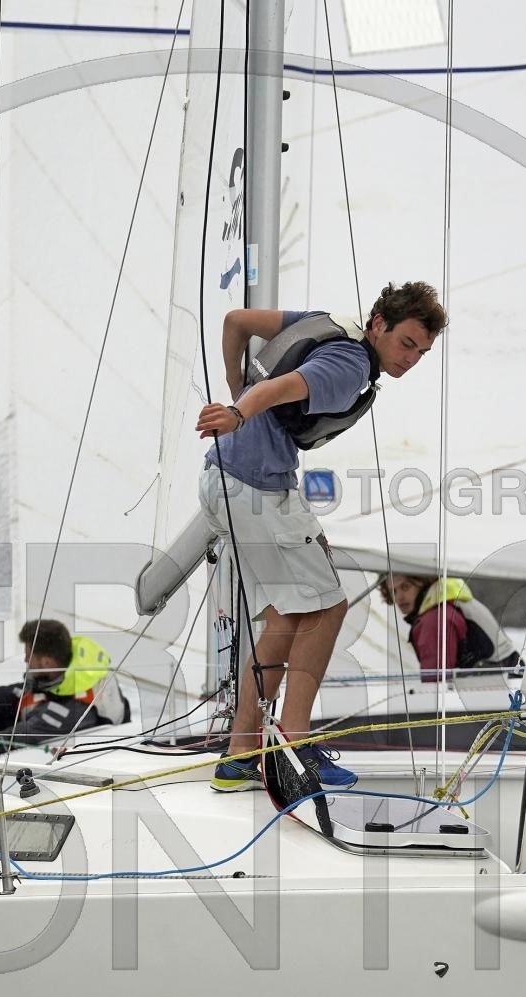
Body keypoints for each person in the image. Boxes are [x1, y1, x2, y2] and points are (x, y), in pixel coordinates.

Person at [198, 280, 448, 793]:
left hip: (224, 480)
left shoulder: (324, 323)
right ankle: (293, 749)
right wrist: (241, 411)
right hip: (258, 487)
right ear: (378, 324)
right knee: (329, 608)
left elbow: (235, 321)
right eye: (406, 343)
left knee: (290, 614)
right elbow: (284, 388)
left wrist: (236, 389)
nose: (410, 359)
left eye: (421, 353)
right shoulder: (351, 364)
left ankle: (241, 754)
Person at [0, 619, 129, 752]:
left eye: (28, 655)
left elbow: (11, 741)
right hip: (33, 715)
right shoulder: (63, 675)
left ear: (47, 662)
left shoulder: (73, 711)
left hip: (43, 747)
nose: (25, 660)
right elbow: (22, 691)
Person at [376, 573, 521, 680]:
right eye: (393, 591)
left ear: (424, 582)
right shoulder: (450, 602)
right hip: (510, 683)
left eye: (405, 587)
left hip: (497, 691)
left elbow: (435, 682)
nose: (399, 597)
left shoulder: (436, 618)